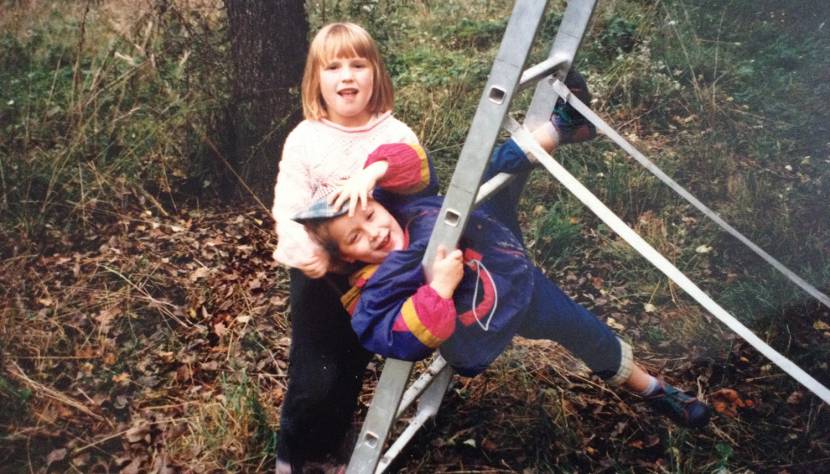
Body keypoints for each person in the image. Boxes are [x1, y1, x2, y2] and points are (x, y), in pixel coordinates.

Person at [294, 103, 711, 439]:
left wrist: (374, 170)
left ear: (378, 200)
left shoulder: (400, 206)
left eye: (369, 213)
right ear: (348, 257)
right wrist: (438, 291)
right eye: (355, 238)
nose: (373, 232)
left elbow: (417, 167)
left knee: (496, 168)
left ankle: (563, 127)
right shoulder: (374, 285)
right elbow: (390, 334)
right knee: (584, 330)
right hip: (510, 302)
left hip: (490, 234)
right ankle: (654, 390)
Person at [270, 22, 425, 473]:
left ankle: (334, 447)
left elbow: (417, 183)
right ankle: (294, 456)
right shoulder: (306, 138)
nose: (347, 76)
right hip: (319, 273)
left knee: (353, 365)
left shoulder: (395, 132)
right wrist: (305, 252)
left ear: (376, 73)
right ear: (316, 79)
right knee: (315, 371)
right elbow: (288, 205)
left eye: (358, 64)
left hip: (376, 268)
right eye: (333, 67)